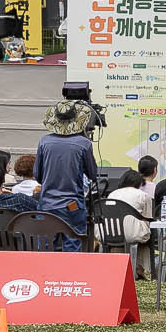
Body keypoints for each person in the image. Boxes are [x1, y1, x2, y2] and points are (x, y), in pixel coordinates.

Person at [35, 98, 99, 241]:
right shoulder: (84, 143)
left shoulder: (44, 141)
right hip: (72, 205)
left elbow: (38, 175)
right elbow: (93, 175)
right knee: (72, 246)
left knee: (45, 246)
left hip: (47, 204)